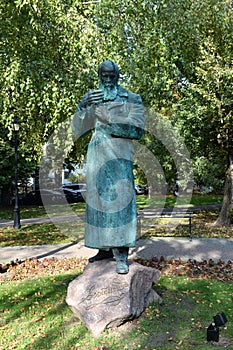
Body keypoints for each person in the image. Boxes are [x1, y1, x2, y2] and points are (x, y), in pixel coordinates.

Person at [72, 60, 144, 274]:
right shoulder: (93, 97)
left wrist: (109, 119)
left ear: (117, 75)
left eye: (111, 75)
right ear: (99, 75)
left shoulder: (131, 98)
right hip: (97, 154)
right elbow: (78, 129)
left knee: (120, 201)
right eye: (104, 75)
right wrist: (82, 106)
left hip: (119, 155)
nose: (108, 79)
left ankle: (121, 253)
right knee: (98, 201)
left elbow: (137, 130)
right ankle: (102, 248)